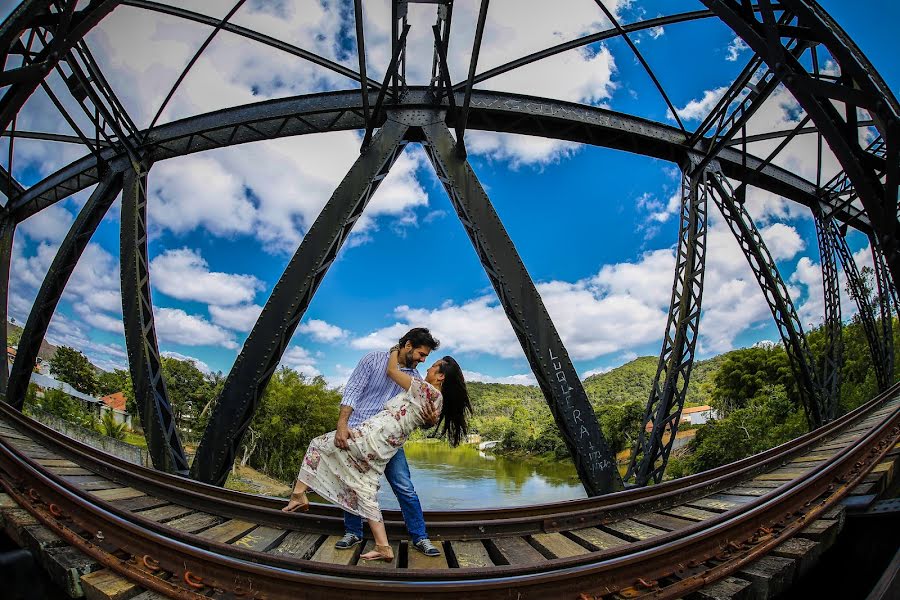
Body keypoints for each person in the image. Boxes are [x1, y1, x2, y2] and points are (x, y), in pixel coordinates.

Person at [282, 344, 472, 562]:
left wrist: (394, 350)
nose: (424, 363)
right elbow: (356, 391)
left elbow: (395, 377)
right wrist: (344, 423)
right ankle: (361, 535)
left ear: (440, 376)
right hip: (371, 434)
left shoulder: (421, 385)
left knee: (394, 486)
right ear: (408, 347)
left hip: (376, 440)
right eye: (422, 355)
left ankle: (418, 537)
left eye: (431, 362)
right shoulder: (379, 363)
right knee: (359, 484)